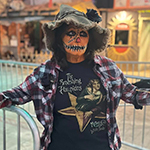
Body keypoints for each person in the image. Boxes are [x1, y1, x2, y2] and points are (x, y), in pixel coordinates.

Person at [0, 4, 150, 150]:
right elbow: (18, 93)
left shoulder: (107, 68)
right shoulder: (45, 72)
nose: (78, 39)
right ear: (59, 39)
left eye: (83, 34)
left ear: (90, 39)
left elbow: (132, 94)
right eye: (71, 33)